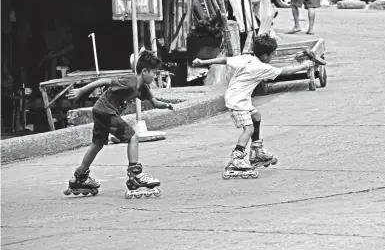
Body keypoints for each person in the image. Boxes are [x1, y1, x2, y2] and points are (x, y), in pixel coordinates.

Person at [192, 34, 313, 175]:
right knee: (248, 129)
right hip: (237, 101)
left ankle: (257, 151)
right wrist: (305, 65)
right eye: (272, 55)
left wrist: (203, 61)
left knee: (256, 117)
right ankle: (237, 157)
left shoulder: (246, 58)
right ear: (265, 55)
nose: (272, 58)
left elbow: (225, 60)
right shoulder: (261, 67)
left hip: (238, 97)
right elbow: (284, 72)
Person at [64, 50, 174, 197]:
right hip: (105, 111)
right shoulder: (130, 82)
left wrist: (166, 105)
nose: (155, 76)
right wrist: (81, 91)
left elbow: (154, 103)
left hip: (100, 110)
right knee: (133, 137)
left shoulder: (143, 89)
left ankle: (80, 177)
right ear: (145, 71)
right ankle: (135, 175)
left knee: (97, 144)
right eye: (154, 73)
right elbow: (104, 81)